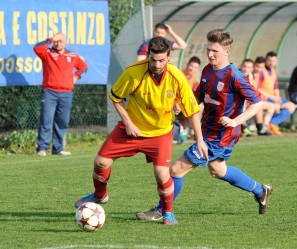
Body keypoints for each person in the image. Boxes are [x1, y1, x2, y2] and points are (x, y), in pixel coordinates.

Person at [136, 29, 273, 222]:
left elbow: (257, 103)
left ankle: (161, 210)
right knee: (218, 170)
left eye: (215, 51)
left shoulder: (235, 76)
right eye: (208, 50)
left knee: (176, 169)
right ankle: (261, 190)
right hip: (209, 129)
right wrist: (180, 105)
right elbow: (197, 96)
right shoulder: (208, 69)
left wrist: (235, 121)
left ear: (227, 51)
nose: (210, 54)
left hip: (220, 135)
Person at [74, 37, 208, 226]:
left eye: (162, 60)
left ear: (168, 57)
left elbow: (193, 111)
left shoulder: (177, 77)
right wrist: (128, 123)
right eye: (153, 59)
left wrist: (200, 140)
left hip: (160, 133)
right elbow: (116, 97)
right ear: (148, 56)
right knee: (100, 162)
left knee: (162, 174)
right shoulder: (134, 72)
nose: (157, 64)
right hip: (132, 129)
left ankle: (167, 212)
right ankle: (99, 195)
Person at [34, 33, 88, 156]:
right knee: (46, 120)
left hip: (66, 93)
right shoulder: (47, 53)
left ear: (65, 42)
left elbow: (84, 67)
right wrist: (52, 38)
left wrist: (76, 77)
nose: (58, 44)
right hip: (49, 92)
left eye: (60, 41)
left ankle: (58, 148)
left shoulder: (72, 55)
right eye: (56, 41)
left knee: (62, 121)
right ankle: (42, 148)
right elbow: (37, 48)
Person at [257, 51, 297, 135]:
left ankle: (272, 123)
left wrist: (277, 98)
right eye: (269, 60)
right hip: (266, 98)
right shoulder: (261, 71)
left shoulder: (274, 71)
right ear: (265, 60)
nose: (272, 63)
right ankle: (270, 124)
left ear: (276, 61)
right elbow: (258, 88)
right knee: (287, 106)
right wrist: (273, 99)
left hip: (273, 98)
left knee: (292, 106)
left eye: (274, 61)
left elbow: (275, 87)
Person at [252, 56, 276, 135]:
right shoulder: (250, 74)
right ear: (254, 65)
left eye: (261, 67)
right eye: (257, 66)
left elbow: (257, 89)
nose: (259, 69)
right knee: (259, 104)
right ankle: (260, 128)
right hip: (249, 100)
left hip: (254, 100)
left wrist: (262, 96)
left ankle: (264, 126)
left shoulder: (259, 75)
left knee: (271, 106)